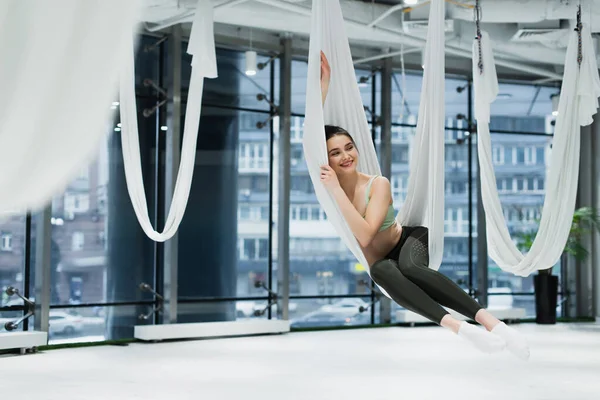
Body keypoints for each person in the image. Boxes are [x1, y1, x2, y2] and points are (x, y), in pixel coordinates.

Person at [318, 51, 529, 360]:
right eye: (335, 153)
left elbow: (365, 236)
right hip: (383, 260)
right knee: (380, 270)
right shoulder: (327, 183)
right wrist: (324, 86)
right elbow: (311, 141)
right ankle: (462, 329)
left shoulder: (377, 184)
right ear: (327, 161)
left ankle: (494, 324)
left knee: (408, 267)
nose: (345, 156)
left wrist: (336, 190)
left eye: (349, 147)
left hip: (410, 240)